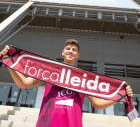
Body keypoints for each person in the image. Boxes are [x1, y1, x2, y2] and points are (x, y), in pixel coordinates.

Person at [0, 39, 133, 127]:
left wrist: (120, 97)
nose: (70, 51)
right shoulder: (50, 72)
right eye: (68, 48)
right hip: (47, 123)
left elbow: (97, 104)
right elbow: (23, 84)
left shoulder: (84, 78)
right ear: (63, 52)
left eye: (74, 50)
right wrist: (8, 63)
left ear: (77, 55)